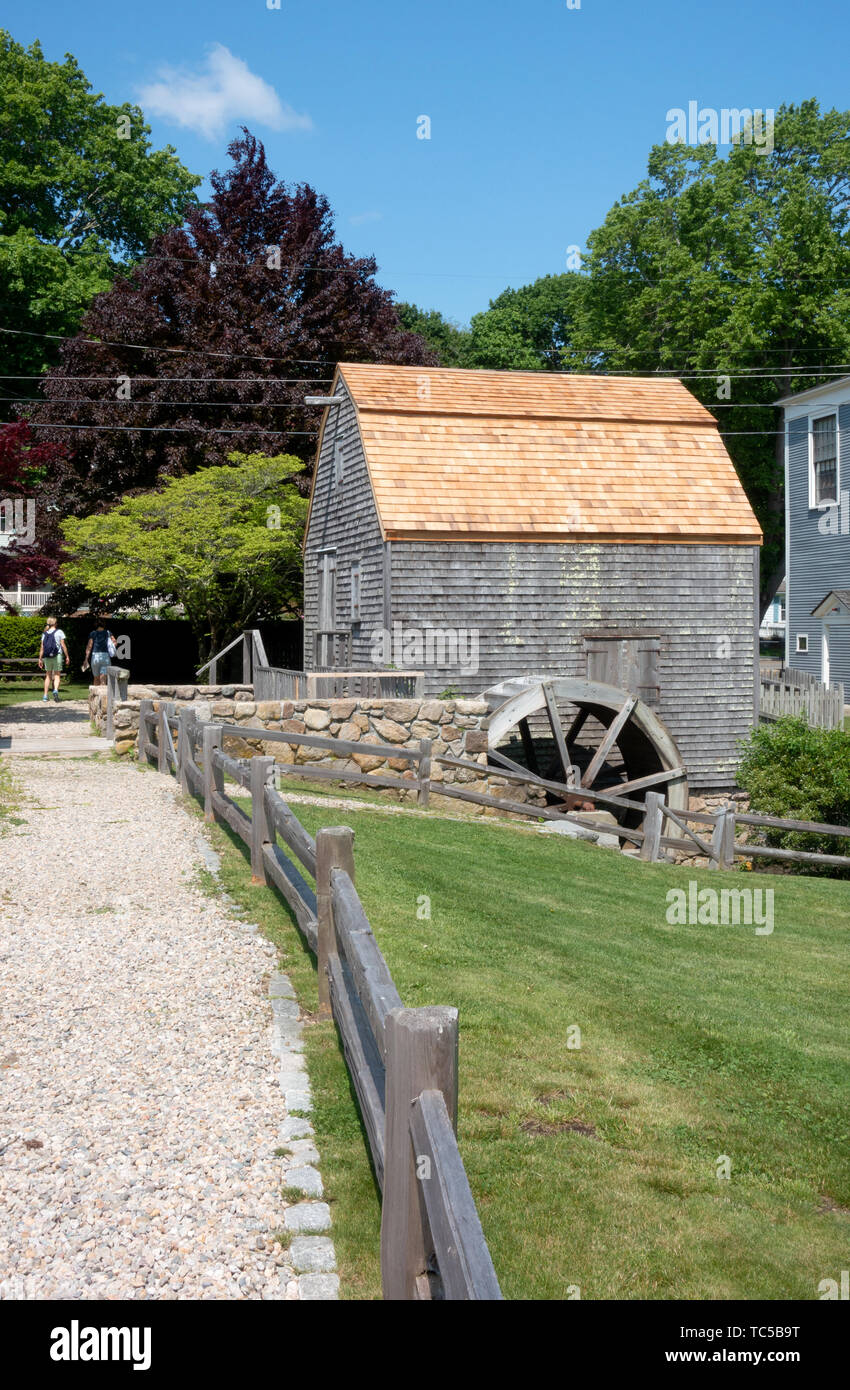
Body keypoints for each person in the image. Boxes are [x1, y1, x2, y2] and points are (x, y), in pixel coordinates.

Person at [38, 617, 70, 703]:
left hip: (47, 657)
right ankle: (55, 690)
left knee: (48, 675)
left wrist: (40, 659)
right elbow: (63, 645)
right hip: (57, 655)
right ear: (55, 623)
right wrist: (67, 656)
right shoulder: (59, 632)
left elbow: (42, 647)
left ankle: (45, 696)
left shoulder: (44, 634)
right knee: (57, 675)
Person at [83, 618, 117, 686]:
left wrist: (86, 659)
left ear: (95, 625)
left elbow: (89, 646)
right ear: (103, 624)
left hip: (95, 657)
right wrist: (111, 647)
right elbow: (115, 642)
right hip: (105, 657)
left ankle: (95, 696)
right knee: (103, 679)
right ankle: (103, 695)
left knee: (96, 678)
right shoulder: (108, 632)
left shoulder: (93, 633)